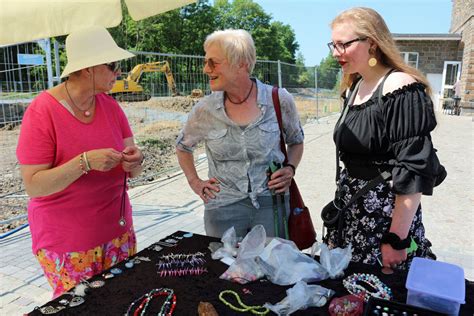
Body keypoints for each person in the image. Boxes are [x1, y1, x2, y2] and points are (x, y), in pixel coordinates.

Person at [16, 25, 144, 298]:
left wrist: (135, 160)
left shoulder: (111, 106)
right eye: (113, 65)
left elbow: (133, 169)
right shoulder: (42, 111)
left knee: (122, 300)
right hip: (69, 242)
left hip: (118, 232)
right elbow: (34, 186)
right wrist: (83, 162)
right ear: (89, 67)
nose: (118, 72)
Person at [325, 7, 446, 270]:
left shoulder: (399, 86)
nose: (336, 53)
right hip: (353, 211)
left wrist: (397, 238)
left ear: (372, 43)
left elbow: (414, 167)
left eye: (343, 44)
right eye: (333, 45)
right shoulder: (354, 86)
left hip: (385, 219)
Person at [176, 29, 304, 238]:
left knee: (272, 265)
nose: (205, 69)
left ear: (242, 63)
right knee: (224, 267)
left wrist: (290, 168)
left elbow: (296, 141)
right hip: (222, 208)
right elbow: (182, 147)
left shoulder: (278, 100)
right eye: (205, 61)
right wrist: (195, 182)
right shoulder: (205, 110)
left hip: (271, 205)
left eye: (213, 62)